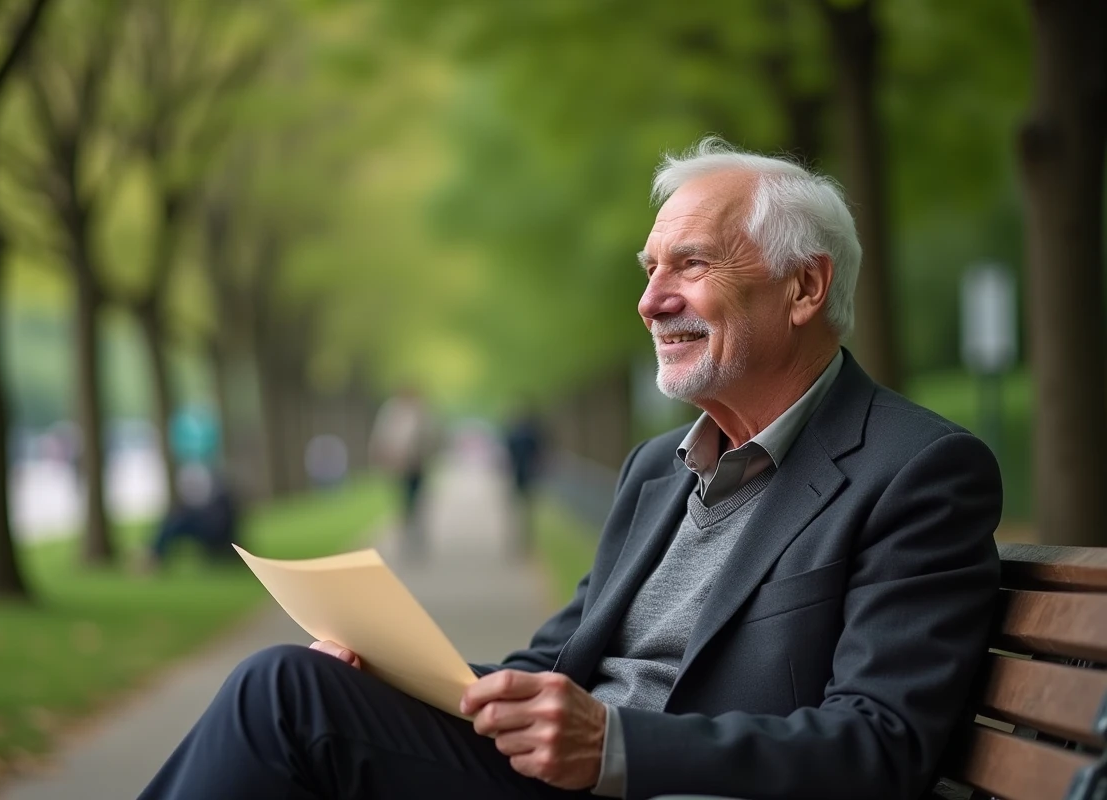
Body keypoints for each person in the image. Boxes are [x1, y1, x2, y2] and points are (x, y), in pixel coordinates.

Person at [138, 137, 1002, 800]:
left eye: (690, 264)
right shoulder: (657, 470)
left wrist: (618, 748)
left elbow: (882, 744)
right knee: (305, 683)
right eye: (650, 269)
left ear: (804, 289)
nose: (651, 299)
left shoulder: (919, 473)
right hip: (556, 782)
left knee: (282, 696)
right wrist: (392, 672)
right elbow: (552, 661)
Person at [367, 386, 437, 561]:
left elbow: (432, 437)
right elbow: (382, 436)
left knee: (417, 500)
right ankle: (408, 536)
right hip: (400, 465)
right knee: (405, 502)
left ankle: (417, 536)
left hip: (418, 465)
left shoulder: (422, 412)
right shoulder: (391, 411)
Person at [503, 406, 547, 555]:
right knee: (524, 511)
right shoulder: (530, 434)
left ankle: (521, 541)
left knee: (520, 510)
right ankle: (524, 541)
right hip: (526, 477)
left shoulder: (515, 435)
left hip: (521, 477)